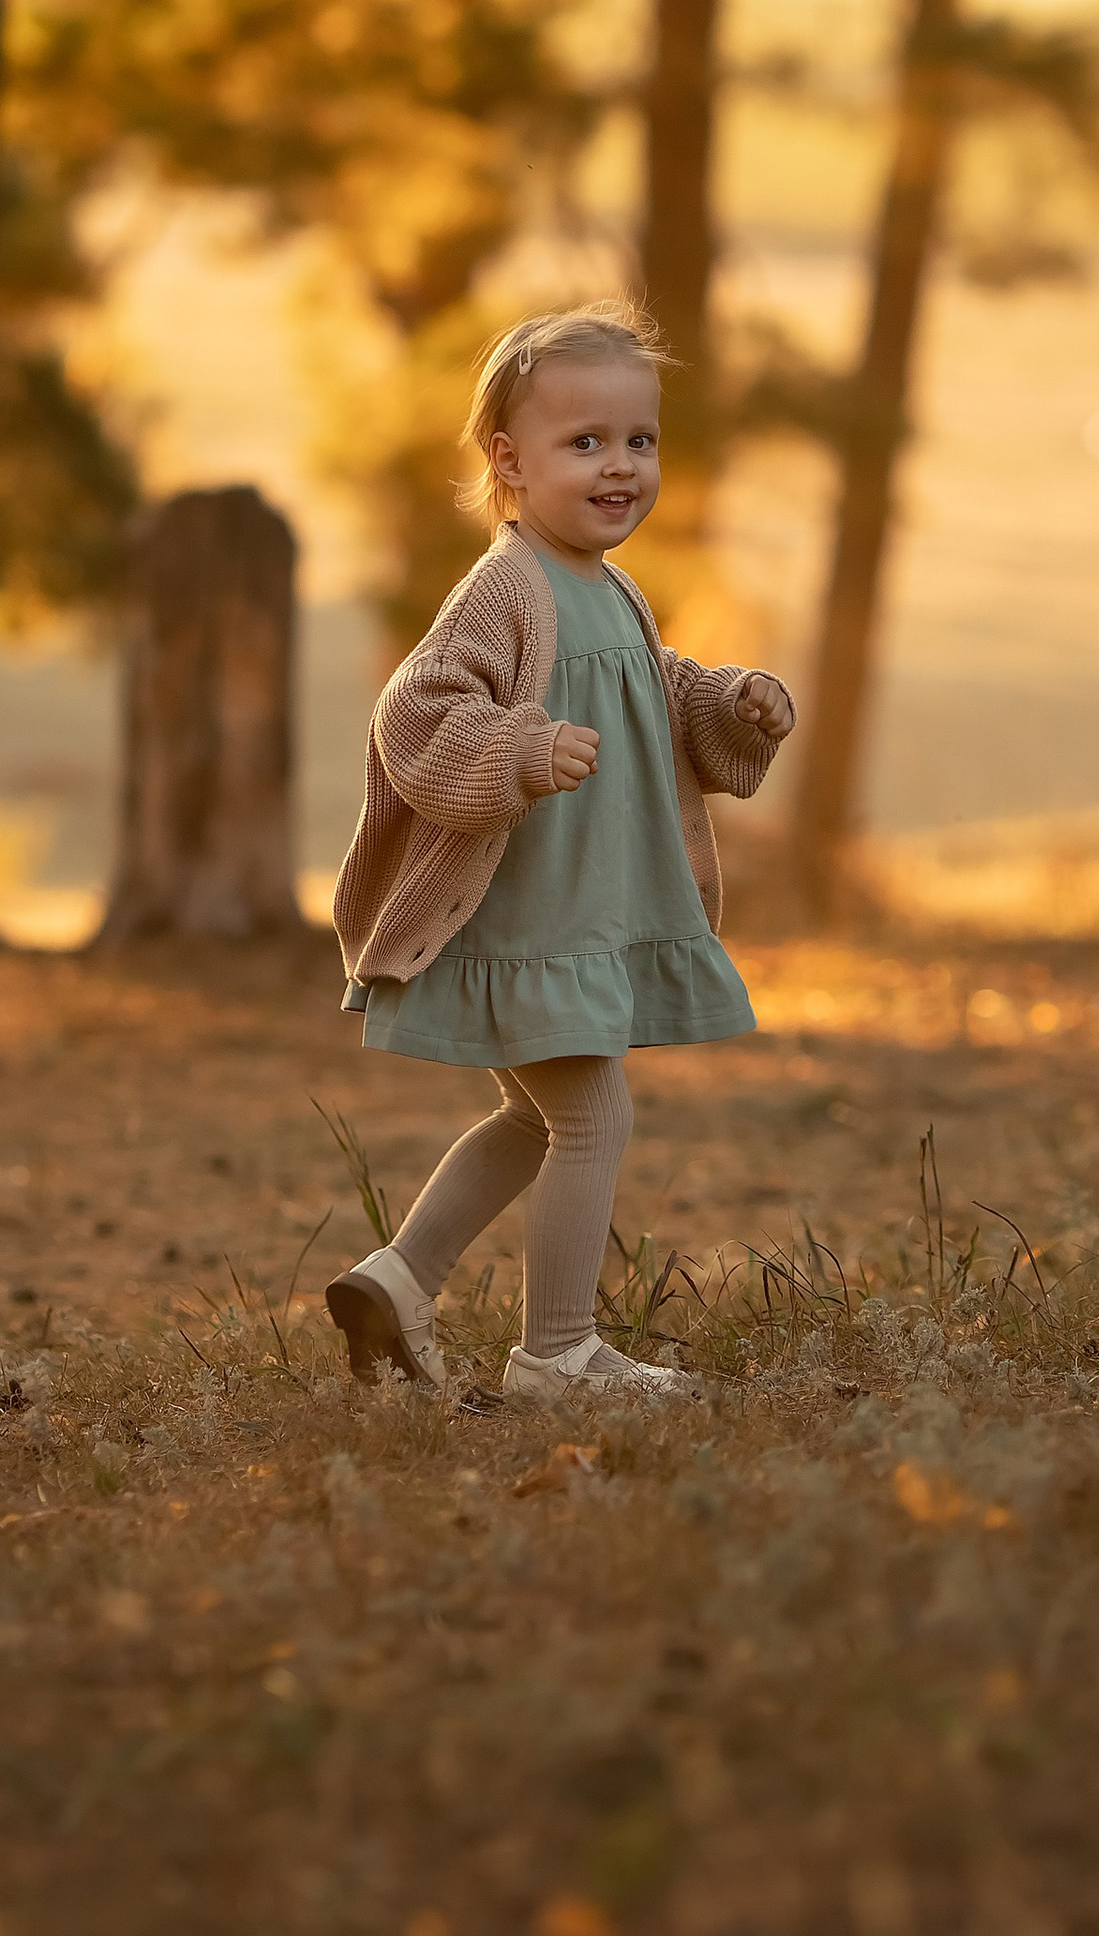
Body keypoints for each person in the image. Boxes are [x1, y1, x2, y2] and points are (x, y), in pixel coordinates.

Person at [326, 300, 795, 1401]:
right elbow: (417, 715)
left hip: (578, 914)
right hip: (530, 913)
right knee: (591, 1113)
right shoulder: (505, 588)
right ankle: (557, 1354)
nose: (619, 466)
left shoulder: (609, 586)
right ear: (508, 460)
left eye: (639, 441)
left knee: (536, 1115)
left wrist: (731, 701)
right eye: (583, 443)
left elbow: (654, 689)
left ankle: (399, 1279)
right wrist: (520, 749)